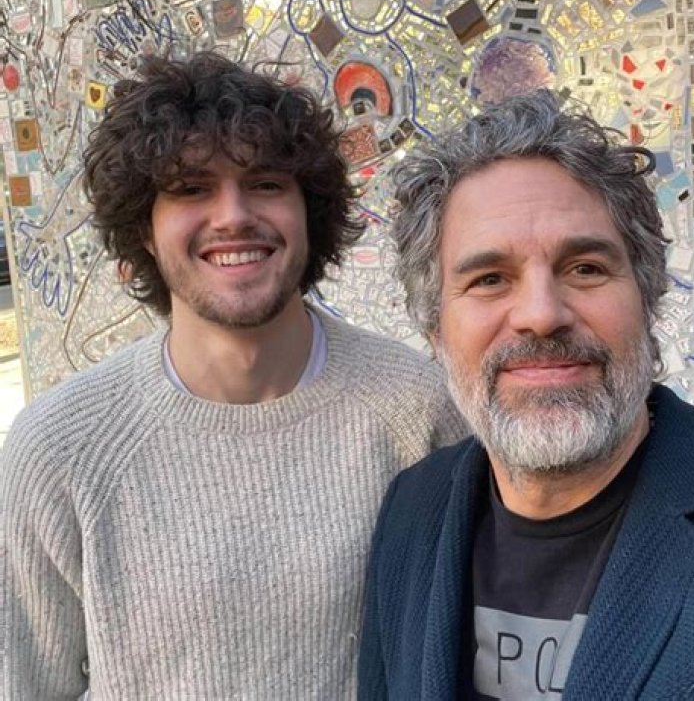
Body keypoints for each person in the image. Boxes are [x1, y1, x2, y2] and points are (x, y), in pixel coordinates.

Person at [1, 52, 466, 699]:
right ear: (144, 228)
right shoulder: (58, 450)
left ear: (310, 212)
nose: (232, 216)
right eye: (191, 188)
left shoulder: (420, 410)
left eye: (266, 183)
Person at [359, 89, 694, 700]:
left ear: (648, 296)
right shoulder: (412, 509)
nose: (541, 315)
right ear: (434, 328)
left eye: (585, 268)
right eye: (489, 279)